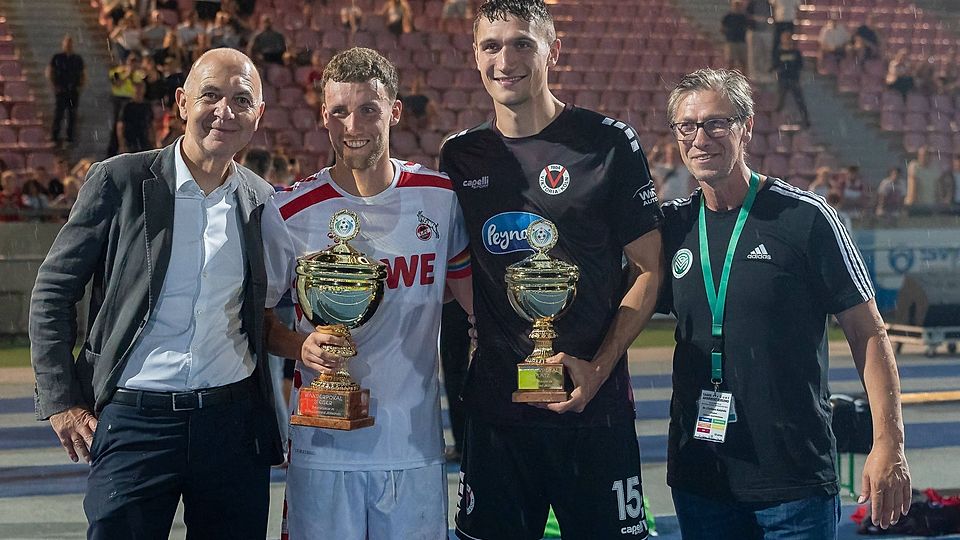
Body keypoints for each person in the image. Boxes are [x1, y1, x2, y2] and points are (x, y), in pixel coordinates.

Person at [28, 48, 283, 539]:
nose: (224, 111)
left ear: (259, 115)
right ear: (182, 103)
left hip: (232, 424)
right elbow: (53, 291)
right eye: (210, 95)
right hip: (134, 422)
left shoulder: (262, 201)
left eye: (241, 100)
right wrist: (60, 399)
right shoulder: (119, 180)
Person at [439, 1, 664, 538]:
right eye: (491, 46)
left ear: (552, 52)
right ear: (475, 57)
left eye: (522, 43)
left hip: (596, 410)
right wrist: (488, 321)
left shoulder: (608, 142)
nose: (505, 59)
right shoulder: (460, 156)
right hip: (497, 415)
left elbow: (650, 270)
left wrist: (601, 364)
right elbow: (454, 263)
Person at [659, 67, 910, 539]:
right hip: (701, 477)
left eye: (717, 122)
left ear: (746, 127)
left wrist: (888, 443)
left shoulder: (806, 218)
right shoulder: (670, 228)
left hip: (793, 482)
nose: (700, 138)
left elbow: (867, 331)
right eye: (687, 126)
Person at [261, 47, 474, 540]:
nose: (352, 124)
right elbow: (262, 320)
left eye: (368, 109)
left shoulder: (440, 199)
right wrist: (301, 344)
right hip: (322, 448)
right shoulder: (288, 211)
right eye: (338, 111)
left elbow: (470, 300)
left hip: (413, 448)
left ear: (394, 111)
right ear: (323, 117)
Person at [47, 35, 85, 146]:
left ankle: (70, 137)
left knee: (72, 114)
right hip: (61, 89)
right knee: (58, 113)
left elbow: (83, 74)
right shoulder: (57, 57)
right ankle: (55, 136)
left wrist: (80, 86)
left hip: (73, 90)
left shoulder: (77, 59)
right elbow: (50, 71)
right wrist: (54, 85)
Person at [772, 32, 810, 127]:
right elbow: (775, 65)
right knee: (780, 101)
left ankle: (805, 120)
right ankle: (773, 121)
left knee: (799, 101)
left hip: (793, 79)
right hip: (783, 79)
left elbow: (800, 65)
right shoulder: (778, 52)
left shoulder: (796, 53)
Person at [116, 83, 156, 153]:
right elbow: (120, 125)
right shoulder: (127, 106)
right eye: (137, 89)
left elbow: (151, 124)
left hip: (144, 140)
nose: (139, 91)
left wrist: (154, 141)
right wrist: (121, 144)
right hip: (130, 140)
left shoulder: (147, 106)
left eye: (141, 89)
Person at [905, 146, 941, 212]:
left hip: (931, 206)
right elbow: (912, 189)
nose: (922, 158)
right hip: (916, 206)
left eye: (925, 155)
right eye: (920, 155)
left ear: (929, 157)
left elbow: (937, 188)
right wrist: (910, 205)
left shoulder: (935, 169)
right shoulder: (914, 166)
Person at [721, 0, 750, 73]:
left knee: (743, 62)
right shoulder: (728, 17)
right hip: (731, 41)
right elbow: (722, 28)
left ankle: (743, 79)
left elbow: (748, 28)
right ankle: (728, 79)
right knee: (730, 62)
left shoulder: (745, 17)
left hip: (742, 41)